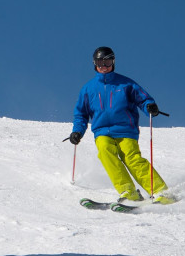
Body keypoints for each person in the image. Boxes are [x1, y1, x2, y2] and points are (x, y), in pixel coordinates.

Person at [69, 46, 173, 204]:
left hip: (126, 130)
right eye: (99, 62)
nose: (104, 66)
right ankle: (129, 191)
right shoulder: (88, 89)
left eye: (107, 62)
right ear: (94, 64)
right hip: (102, 131)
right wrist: (77, 131)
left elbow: (143, 99)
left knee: (132, 158)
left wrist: (149, 106)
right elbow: (81, 114)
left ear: (113, 63)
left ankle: (160, 191)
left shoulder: (125, 83)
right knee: (105, 151)